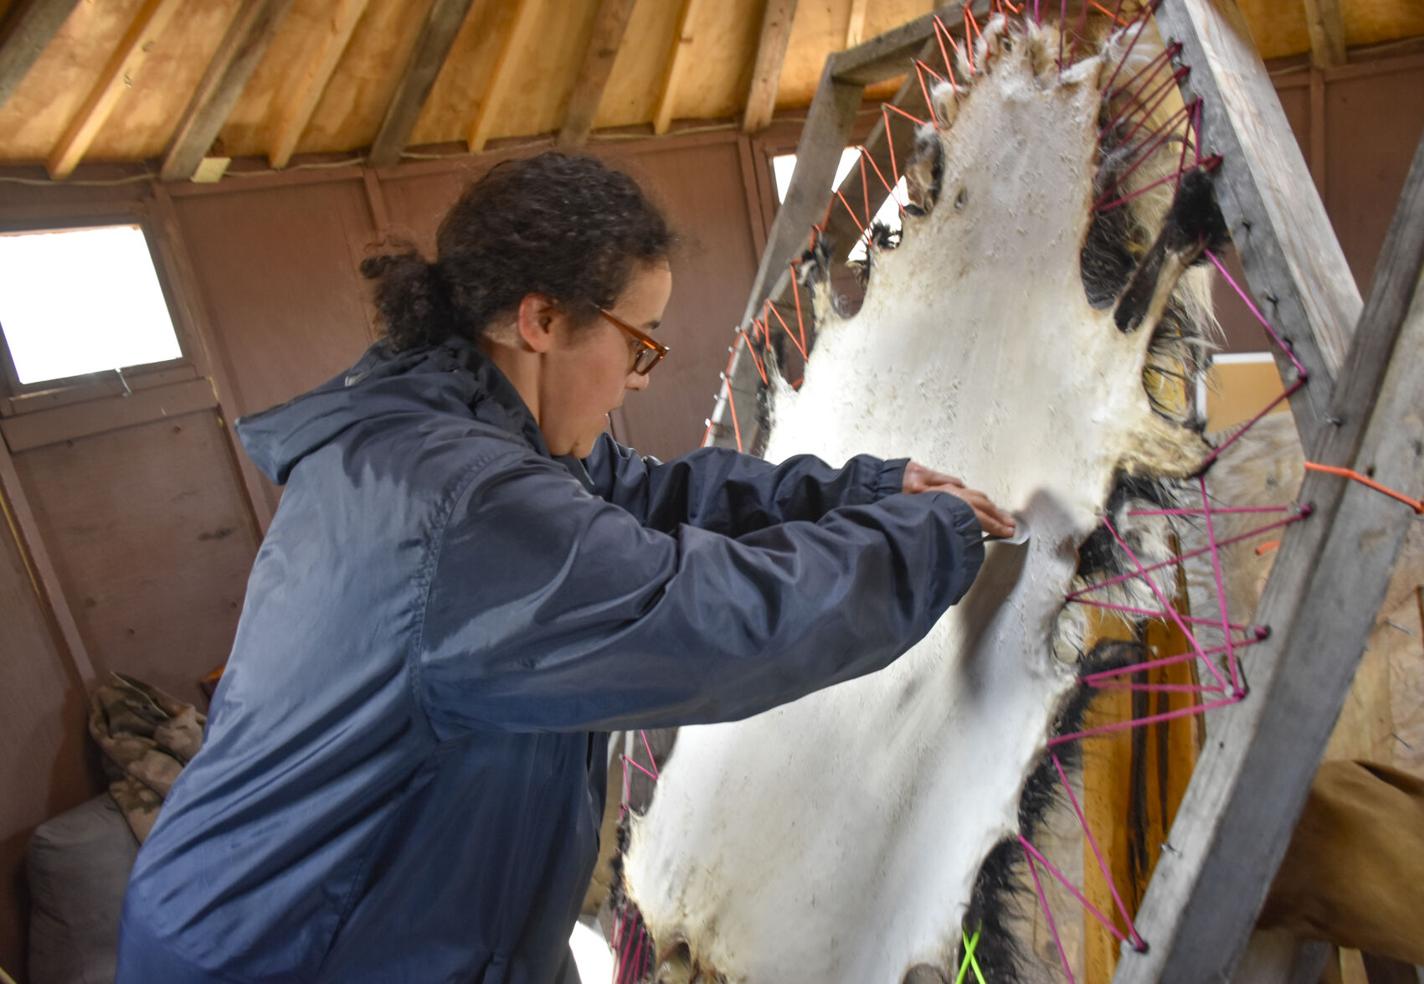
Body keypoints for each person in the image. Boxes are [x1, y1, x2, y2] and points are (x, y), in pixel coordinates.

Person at [115, 151, 1014, 983]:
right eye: (640, 340)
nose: (640, 378)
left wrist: (865, 488)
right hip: (289, 952)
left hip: (346, 912)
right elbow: (701, 621)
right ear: (540, 320)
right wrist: (926, 539)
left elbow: (653, 499)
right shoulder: (463, 509)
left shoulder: (456, 425)